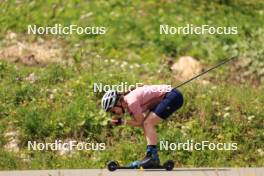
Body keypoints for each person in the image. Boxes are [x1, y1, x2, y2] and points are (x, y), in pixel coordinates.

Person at [101, 85, 184, 168]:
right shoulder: (129, 104)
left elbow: (140, 122)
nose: (114, 114)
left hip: (172, 96)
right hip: (170, 95)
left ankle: (152, 157)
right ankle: (151, 156)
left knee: (148, 123)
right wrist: (123, 121)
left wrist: (122, 121)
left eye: (113, 111)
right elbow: (141, 124)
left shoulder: (131, 102)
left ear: (118, 102)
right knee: (147, 123)